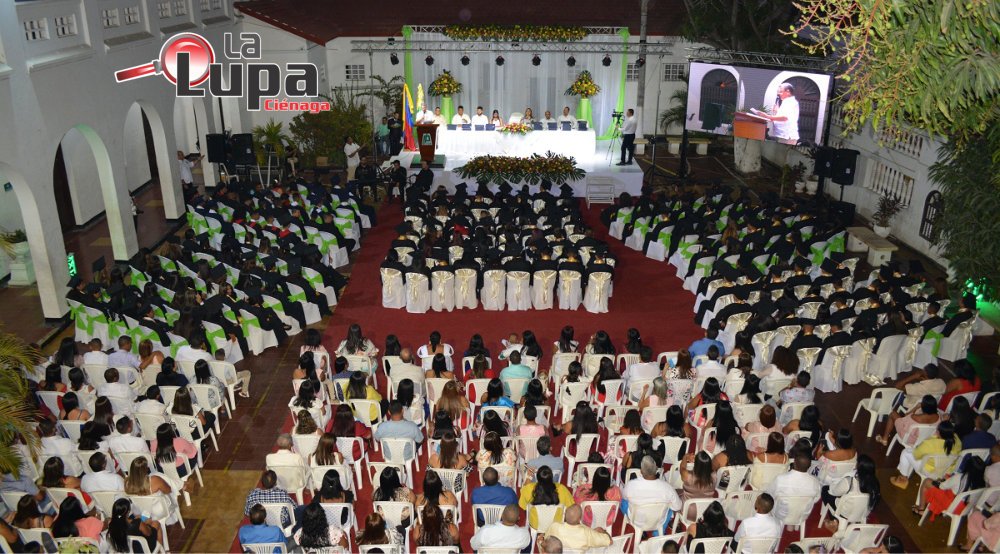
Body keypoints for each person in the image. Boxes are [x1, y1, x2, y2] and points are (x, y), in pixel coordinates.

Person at [766, 454, 821, 521]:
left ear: (794, 464)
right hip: (801, 515)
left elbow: (769, 494)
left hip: (780, 514)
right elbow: (816, 499)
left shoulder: (780, 479)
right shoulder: (815, 482)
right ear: (809, 466)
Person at [544, 504, 612, 550]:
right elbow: (609, 541)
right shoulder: (587, 532)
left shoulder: (554, 526)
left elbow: (546, 539)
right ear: (580, 519)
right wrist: (603, 531)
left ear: (564, 515)